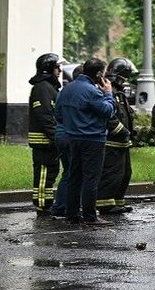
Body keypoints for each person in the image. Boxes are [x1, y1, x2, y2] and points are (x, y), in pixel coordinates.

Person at [57, 57, 116, 226]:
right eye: (103, 72)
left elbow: (58, 115)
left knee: (74, 177)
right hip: (93, 139)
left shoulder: (67, 89)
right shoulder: (92, 91)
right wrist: (108, 94)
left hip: (71, 138)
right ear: (99, 73)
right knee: (91, 179)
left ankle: (72, 215)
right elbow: (107, 111)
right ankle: (90, 216)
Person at [96, 57, 137, 215]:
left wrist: (131, 131)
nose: (127, 80)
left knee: (124, 174)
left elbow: (125, 113)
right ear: (121, 75)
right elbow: (109, 117)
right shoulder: (108, 91)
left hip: (122, 142)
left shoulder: (118, 92)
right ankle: (105, 204)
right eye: (126, 76)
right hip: (112, 142)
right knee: (111, 174)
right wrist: (122, 131)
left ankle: (118, 202)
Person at [27, 53, 63, 215]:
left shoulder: (48, 87)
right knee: (43, 173)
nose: (60, 71)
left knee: (50, 173)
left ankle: (47, 203)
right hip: (44, 141)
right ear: (49, 69)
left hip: (49, 140)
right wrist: (56, 137)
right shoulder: (42, 88)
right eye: (57, 67)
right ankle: (42, 205)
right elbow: (46, 116)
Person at [50, 63, 85, 219]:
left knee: (68, 171)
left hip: (61, 134)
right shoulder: (84, 92)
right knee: (73, 173)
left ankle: (63, 205)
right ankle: (64, 206)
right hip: (72, 136)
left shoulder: (64, 91)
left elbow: (57, 114)